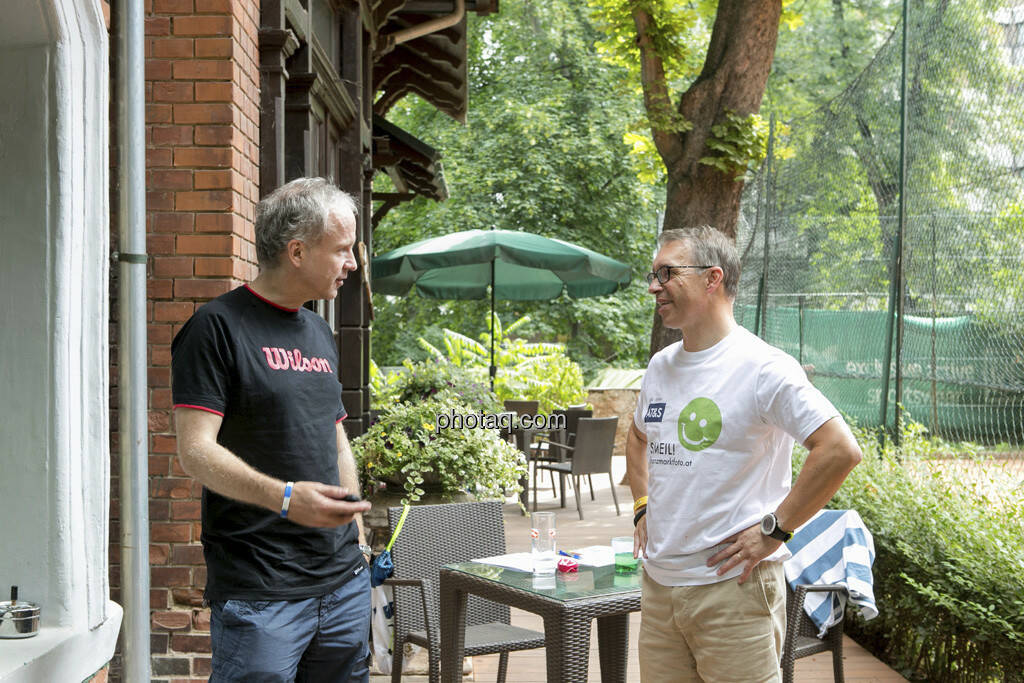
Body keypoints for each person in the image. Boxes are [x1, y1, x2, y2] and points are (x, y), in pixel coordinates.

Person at [628, 226, 862, 682]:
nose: (654, 287)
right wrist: (642, 508)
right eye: (652, 275)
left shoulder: (763, 367)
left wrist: (776, 530)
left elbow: (839, 449)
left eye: (666, 273)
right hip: (659, 590)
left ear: (712, 278)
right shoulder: (661, 366)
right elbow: (637, 438)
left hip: (732, 590)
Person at [172, 177, 372, 682]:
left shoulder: (319, 330)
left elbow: (335, 436)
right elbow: (195, 451)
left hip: (342, 583)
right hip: (262, 592)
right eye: (343, 250)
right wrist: (284, 498)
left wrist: (358, 537)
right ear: (298, 251)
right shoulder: (215, 328)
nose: (353, 264)